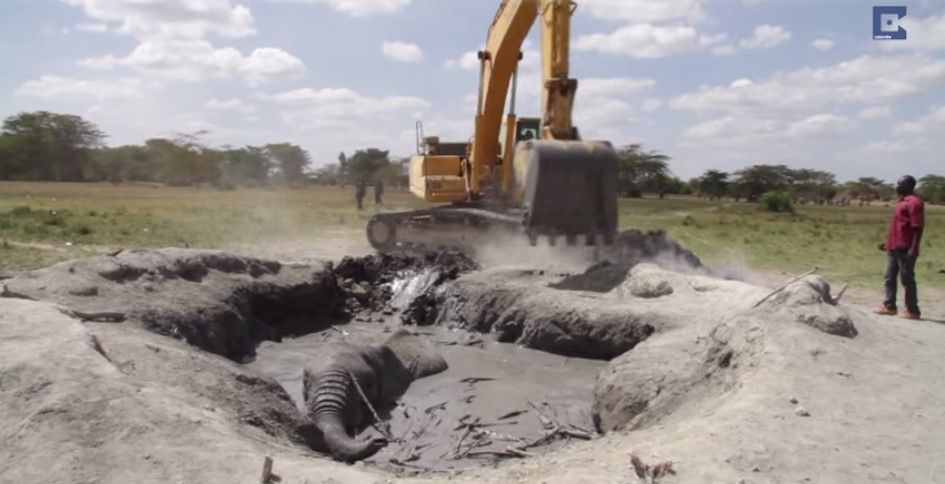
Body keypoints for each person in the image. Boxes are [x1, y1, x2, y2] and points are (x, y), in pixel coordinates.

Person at [875, 175, 925, 320]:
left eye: (900, 184)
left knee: (907, 279)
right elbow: (900, 227)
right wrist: (887, 243)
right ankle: (889, 306)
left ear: (909, 186)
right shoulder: (902, 202)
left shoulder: (914, 202)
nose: (897, 187)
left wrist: (913, 249)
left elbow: (917, 227)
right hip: (893, 247)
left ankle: (913, 310)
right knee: (889, 277)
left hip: (906, 248)